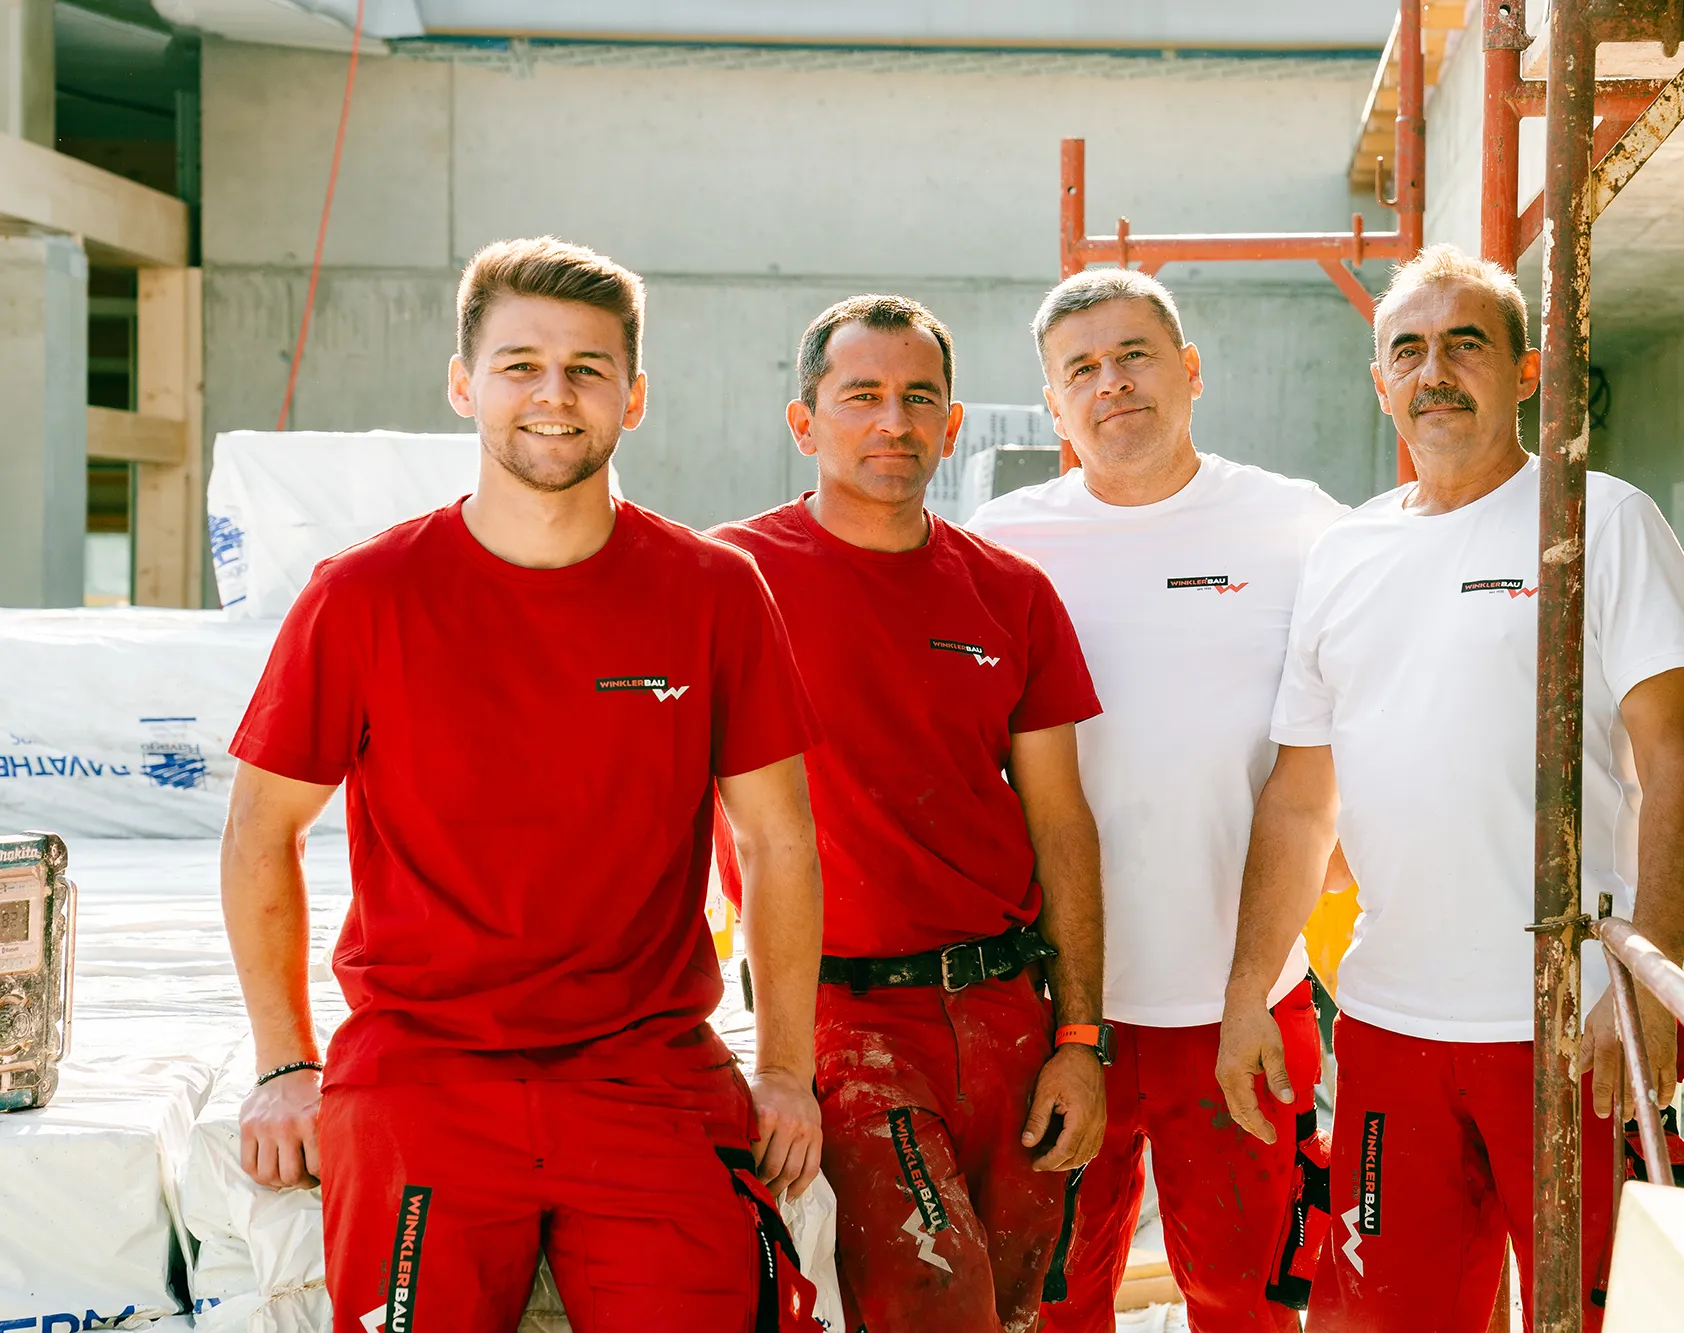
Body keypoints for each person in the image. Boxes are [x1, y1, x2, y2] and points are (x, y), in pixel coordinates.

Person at [221, 236, 826, 1333]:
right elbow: (262, 830)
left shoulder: (713, 592)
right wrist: (282, 1062)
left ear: (632, 398)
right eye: (519, 365)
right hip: (421, 1074)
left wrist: (786, 1067)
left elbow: (780, 842)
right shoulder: (361, 595)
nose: (555, 395)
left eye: (588, 368)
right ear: (464, 384)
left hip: (645, 1075)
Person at [1217, 244, 1684, 1332]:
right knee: (1391, 1318)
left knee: (1591, 1314)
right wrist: (1251, 987)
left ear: (1525, 372)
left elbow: (1672, 756)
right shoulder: (1343, 555)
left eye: (1465, 343)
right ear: (1379, 381)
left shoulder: (1596, 519)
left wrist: (1647, 988)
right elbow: (1302, 801)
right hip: (1391, 1021)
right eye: (1408, 348)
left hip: (1566, 1025)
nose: (1433, 369)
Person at [710, 293, 1109, 1333]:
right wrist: (767, 1057)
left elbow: (1060, 822)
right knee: (933, 1298)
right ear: (805, 423)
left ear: (953, 422)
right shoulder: (725, 580)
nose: (894, 421)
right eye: (862, 397)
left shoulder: (1009, 594)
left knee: (1016, 1310)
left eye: (918, 397)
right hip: (844, 1013)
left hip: (1005, 1012)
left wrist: (1078, 1035)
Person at [967, 269, 1350, 1332]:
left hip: (1242, 1005)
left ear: (1188, 371)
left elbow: (1370, 715)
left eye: (1134, 355)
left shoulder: (1297, 525)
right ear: (1053, 407)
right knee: (1052, 1304)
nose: (1111, 384)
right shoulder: (999, 542)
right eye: (1079, 370)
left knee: (1251, 1304)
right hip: (1053, 1011)